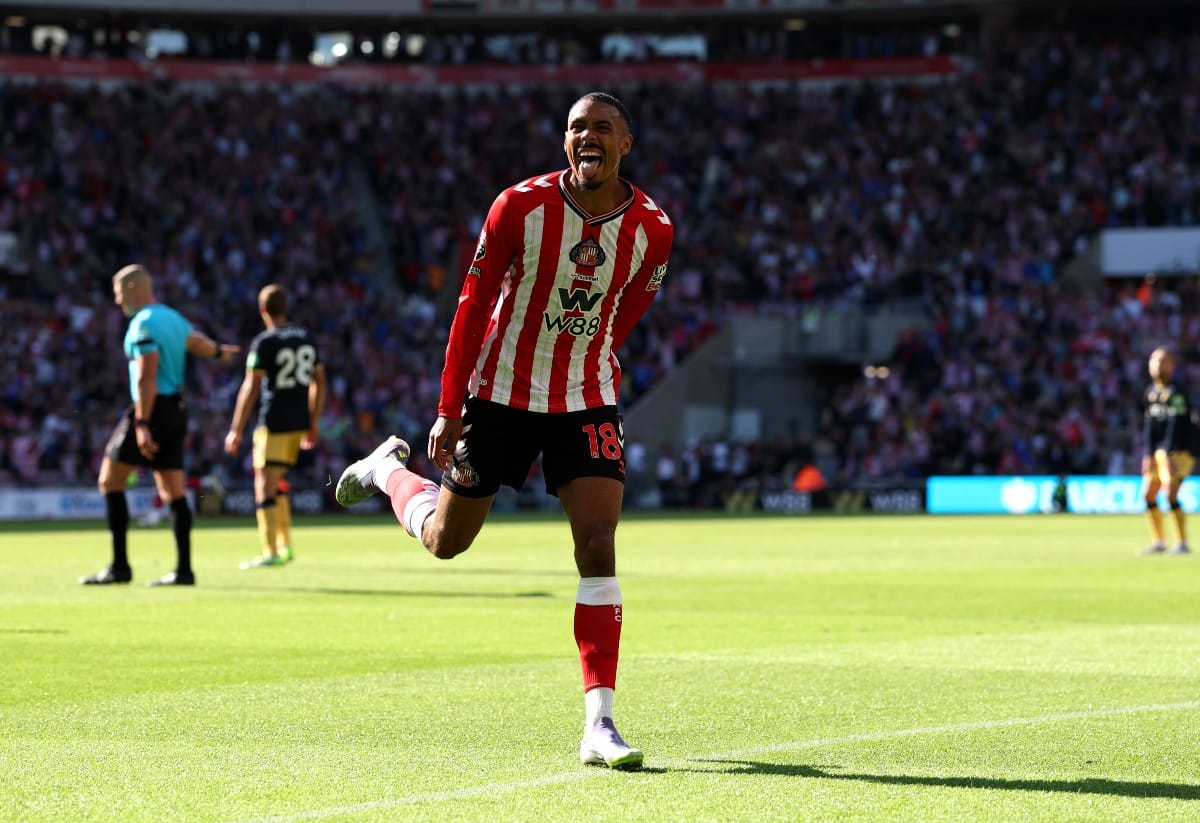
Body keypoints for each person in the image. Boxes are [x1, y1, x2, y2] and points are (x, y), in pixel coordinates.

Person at [334, 92, 673, 770]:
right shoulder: (518, 206)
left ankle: (600, 724)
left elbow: (632, 304)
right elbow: (472, 304)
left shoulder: (653, 229)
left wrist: (591, 354)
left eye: (602, 127)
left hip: (585, 398)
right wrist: (448, 406)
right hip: (499, 395)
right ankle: (387, 471)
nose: (587, 136)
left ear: (625, 143)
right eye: (576, 127)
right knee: (446, 541)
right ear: (565, 140)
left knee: (598, 543)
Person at [81, 264, 239, 586]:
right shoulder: (172, 317)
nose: (117, 301)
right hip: (176, 408)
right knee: (174, 491)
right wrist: (219, 352)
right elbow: (196, 341)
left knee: (110, 481)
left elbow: (146, 375)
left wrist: (142, 422)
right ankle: (184, 571)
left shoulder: (142, 324)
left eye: (118, 293)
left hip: (152, 407)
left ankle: (120, 567)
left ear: (132, 289)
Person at [224, 284, 326, 568]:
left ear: (263, 311)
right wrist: (313, 421)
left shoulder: (264, 342)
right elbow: (320, 381)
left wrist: (236, 429)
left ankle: (270, 552)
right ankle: (285, 545)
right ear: (286, 307)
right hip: (299, 423)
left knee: (264, 485)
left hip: (274, 422)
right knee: (277, 482)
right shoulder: (306, 338)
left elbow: (251, 386)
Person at [1140, 346, 1195, 555]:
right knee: (1148, 494)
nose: (1157, 365)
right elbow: (1149, 427)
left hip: (1178, 451)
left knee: (1170, 493)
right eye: (1154, 360)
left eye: (1162, 361)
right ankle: (1159, 541)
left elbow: (1177, 425)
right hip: (1157, 451)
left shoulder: (1177, 393)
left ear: (1171, 365)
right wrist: (1147, 454)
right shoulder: (1151, 393)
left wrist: (1170, 453)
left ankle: (1181, 542)